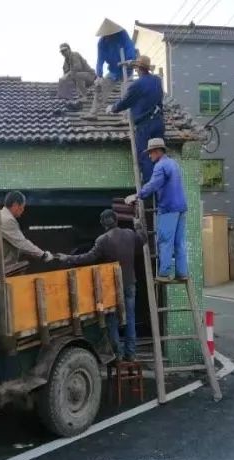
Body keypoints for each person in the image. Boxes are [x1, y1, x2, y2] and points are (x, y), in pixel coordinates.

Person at [57, 210, 146, 362]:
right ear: (117, 220)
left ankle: (117, 354)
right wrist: (138, 226)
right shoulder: (130, 234)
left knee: (111, 319)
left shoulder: (103, 240)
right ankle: (131, 354)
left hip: (111, 287)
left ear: (103, 224)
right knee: (130, 317)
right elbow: (143, 239)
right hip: (130, 283)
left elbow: (88, 258)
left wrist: (68, 258)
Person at [125, 138, 188, 281]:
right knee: (179, 242)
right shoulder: (174, 163)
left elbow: (154, 184)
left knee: (165, 240)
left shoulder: (160, 166)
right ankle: (182, 273)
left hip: (168, 208)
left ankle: (164, 273)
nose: (149, 156)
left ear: (158, 151)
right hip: (181, 207)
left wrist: (137, 195)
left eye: (151, 153)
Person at [106, 55, 164, 183]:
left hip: (145, 125)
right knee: (158, 154)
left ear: (138, 69)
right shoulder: (157, 80)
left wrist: (112, 108)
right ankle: (160, 184)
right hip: (159, 122)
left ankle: (150, 188)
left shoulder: (137, 85)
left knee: (146, 155)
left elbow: (126, 101)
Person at [86, 18, 136, 119]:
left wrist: (129, 60)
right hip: (113, 70)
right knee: (101, 88)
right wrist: (99, 75)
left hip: (126, 68)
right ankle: (93, 113)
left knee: (126, 93)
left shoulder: (122, 35)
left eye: (109, 35)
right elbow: (100, 60)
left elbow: (130, 48)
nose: (108, 37)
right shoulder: (102, 43)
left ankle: (126, 118)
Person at [0, 191, 54, 270]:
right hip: (2, 269)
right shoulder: (7, 220)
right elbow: (22, 243)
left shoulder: (0, 215)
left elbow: (16, 245)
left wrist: (32, 253)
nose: (23, 210)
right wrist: (43, 255)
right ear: (15, 205)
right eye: (23, 206)